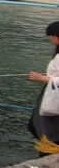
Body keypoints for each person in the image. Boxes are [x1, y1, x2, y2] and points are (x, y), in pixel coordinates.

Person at [28, 21, 59, 149]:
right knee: (38, 123)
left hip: (54, 95)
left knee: (45, 124)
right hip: (51, 92)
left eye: (51, 36)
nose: (50, 39)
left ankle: (50, 149)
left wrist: (41, 78)